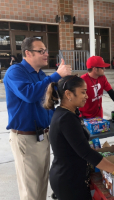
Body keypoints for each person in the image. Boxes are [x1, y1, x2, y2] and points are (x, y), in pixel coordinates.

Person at [44, 76, 114, 200]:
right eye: (83, 92)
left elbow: (80, 147)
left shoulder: (69, 113)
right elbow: (85, 152)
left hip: (72, 175)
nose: (87, 96)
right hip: (68, 180)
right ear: (68, 94)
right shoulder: (66, 119)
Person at [3, 37, 72, 200]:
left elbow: (48, 102)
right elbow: (29, 94)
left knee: (41, 184)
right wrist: (55, 76)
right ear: (28, 53)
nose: (46, 54)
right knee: (31, 190)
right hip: (26, 138)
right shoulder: (15, 72)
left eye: (46, 50)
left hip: (43, 136)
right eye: (41, 51)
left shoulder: (41, 75)